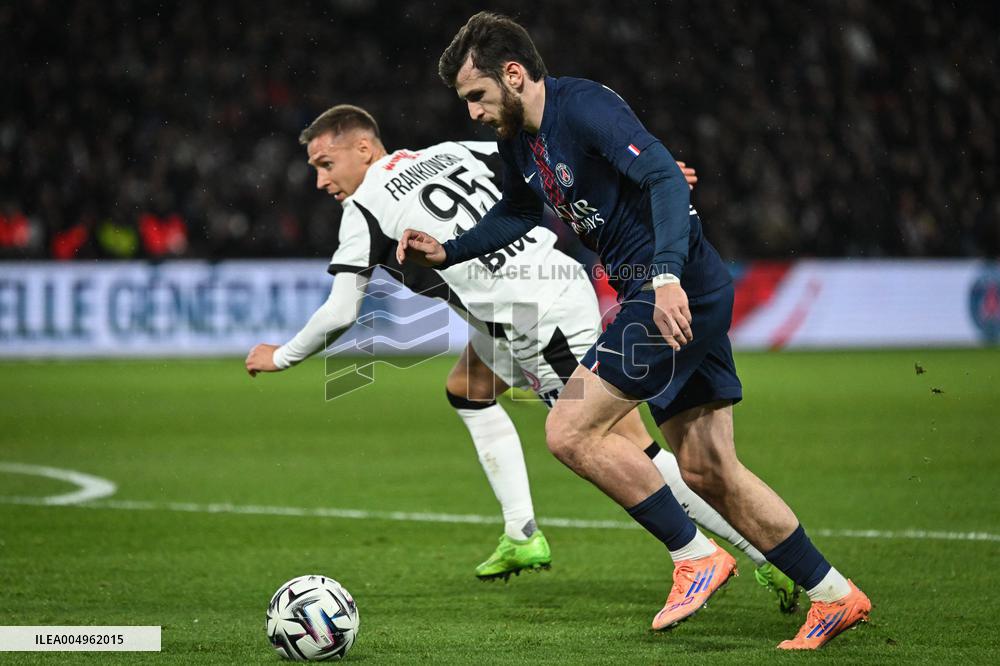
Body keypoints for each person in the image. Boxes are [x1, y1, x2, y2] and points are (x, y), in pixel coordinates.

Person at [397, 12, 871, 649]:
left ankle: (694, 557)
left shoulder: (583, 106)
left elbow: (664, 177)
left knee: (569, 430)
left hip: (672, 293)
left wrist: (667, 277)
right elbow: (514, 212)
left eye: (476, 96)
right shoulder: (520, 142)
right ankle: (834, 595)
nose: (474, 113)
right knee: (708, 470)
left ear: (513, 75)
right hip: (664, 293)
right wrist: (448, 250)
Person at [245, 104, 798, 610]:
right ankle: (522, 533)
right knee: (469, 388)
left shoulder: (364, 208)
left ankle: (753, 554)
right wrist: (647, 170)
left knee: (620, 444)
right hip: (541, 294)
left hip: (541, 322)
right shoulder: (449, 152)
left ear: (364, 149)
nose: (320, 180)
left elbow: (342, 311)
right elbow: (553, 162)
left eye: (325, 162)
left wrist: (283, 357)